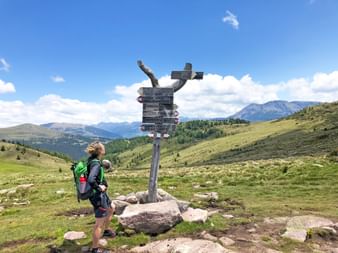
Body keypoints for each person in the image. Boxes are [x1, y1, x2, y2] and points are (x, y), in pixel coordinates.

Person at [86, 141, 115, 253]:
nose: (104, 148)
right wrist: (99, 188)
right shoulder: (96, 164)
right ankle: (95, 249)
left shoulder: (94, 160)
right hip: (98, 196)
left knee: (112, 207)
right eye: (103, 147)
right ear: (99, 151)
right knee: (99, 223)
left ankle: (106, 230)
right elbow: (91, 180)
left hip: (102, 195)